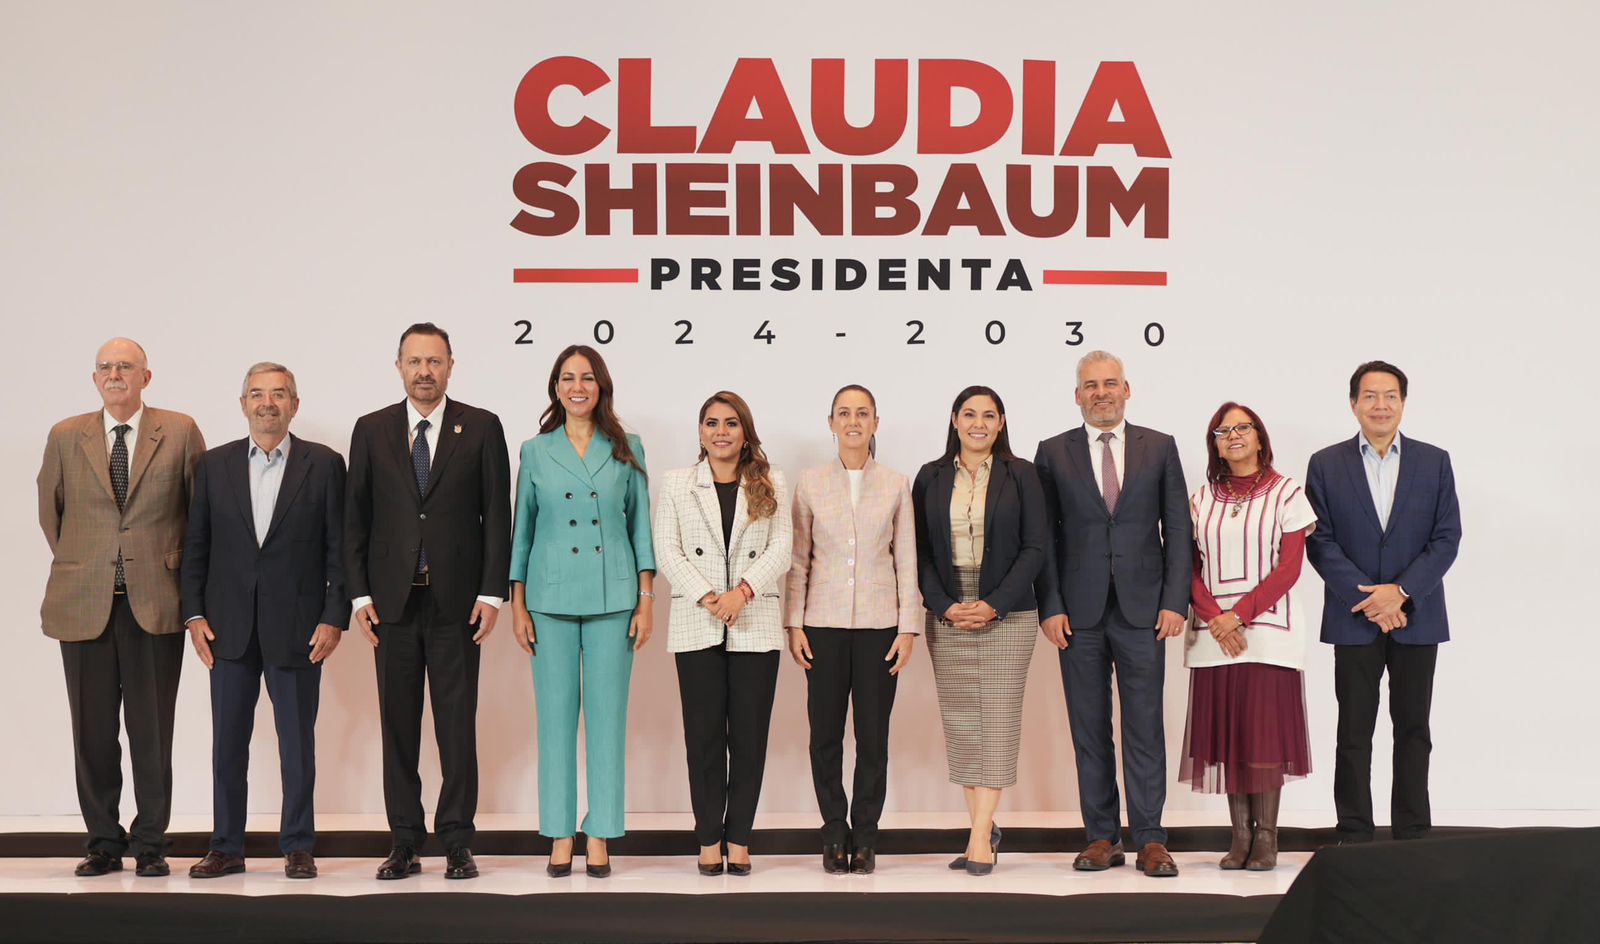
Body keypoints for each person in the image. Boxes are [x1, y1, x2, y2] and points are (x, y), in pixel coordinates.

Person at [345, 323, 511, 881]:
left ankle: (458, 841)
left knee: (456, 726)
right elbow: (355, 518)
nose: (424, 371)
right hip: (390, 604)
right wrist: (359, 595)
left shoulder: (481, 427)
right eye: (414, 361)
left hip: (457, 604)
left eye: (434, 361)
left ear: (450, 366)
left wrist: (491, 592)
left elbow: (497, 516)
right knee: (398, 727)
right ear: (398, 366)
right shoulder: (371, 429)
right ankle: (404, 842)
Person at [37, 338, 206, 878]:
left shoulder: (179, 431)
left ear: (145, 377)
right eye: (106, 367)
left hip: (155, 601)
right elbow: (51, 513)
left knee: (152, 731)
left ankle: (151, 843)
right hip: (83, 602)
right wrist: (88, 563)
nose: (115, 374)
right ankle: (103, 843)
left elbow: (199, 515)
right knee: (92, 733)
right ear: (95, 379)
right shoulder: (66, 435)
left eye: (126, 366)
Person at [181, 363, 348, 880]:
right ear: (243, 404)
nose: (267, 403)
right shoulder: (213, 465)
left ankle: (298, 846)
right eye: (257, 394)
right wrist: (193, 614)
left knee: (297, 746)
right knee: (228, 746)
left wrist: (334, 616)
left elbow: (339, 549)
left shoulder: (325, 465)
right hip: (226, 629)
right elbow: (196, 546)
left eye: (278, 394)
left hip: (299, 628)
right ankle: (226, 847)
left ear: (294, 405)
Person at [1033, 350, 1190, 878]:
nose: (1101, 392)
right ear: (1077, 395)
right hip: (1077, 614)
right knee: (1089, 728)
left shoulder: (1160, 447)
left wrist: (1174, 600)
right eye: (1091, 385)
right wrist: (1050, 606)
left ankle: (1151, 839)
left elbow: (1178, 530)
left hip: (1145, 611)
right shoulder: (1052, 452)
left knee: (1145, 726)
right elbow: (1045, 539)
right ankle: (1101, 836)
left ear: (1127, 389)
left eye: (1110, 383)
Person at [509, 344, 655, 879]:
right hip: (548, 600)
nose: (577, 387)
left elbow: (640, 526)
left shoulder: (627, 446)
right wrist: (518, 603)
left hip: (614, 598)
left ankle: (599, 832)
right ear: (555, 387)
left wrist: (646, 599)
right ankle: (558, 832)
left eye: (587, 378)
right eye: (568, 378)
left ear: (601, 386)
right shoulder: (534, 450)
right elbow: (522, 531)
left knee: (608, 720)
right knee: (554, 721)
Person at [1305, 361, 1460, 843]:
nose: (1380, 405)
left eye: (1390, 396)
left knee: (1414, 729)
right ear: (1353, 403)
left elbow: (1447, 537)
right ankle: (1354, 831)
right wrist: (1372, 600)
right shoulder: (1325, 464)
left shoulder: (1434, 461)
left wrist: (1401, 593)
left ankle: (1412, 832)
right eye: (1370, 396)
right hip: (1354, 618)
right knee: (1354, 732)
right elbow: (1320, 541)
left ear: (1403, 403)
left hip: (1418, 616)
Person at [653, 391, 791, 876]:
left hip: (755, 623)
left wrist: (743, 592)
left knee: (749, 741)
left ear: (745, 431)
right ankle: (709, 838)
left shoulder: (771, 480)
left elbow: (782, 547)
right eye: (711, 423)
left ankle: (740, 838)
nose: (721, 432)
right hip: (698, 622)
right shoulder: (677, 483)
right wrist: (711, 597)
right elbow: (667, 550)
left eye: (731, 423)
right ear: (700, 431)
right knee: (705, 740)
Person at [911, 386, 1047, 876]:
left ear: (1002, 423)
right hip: (948, 609)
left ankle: (978, 839)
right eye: (969, 414)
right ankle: (982, 831)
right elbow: (919, 551)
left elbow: (1036, 547)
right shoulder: (930, 476)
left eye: (989, 416)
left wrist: (993, 605)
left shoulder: (1022, 474)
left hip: (1007, 611)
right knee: (965, 724)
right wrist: (945, 606)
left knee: (998, 720)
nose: (979, 424)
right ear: (954, 419)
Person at [785, 384, 920, 875]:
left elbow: (906, 560)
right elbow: (799, 559)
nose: (853, 421)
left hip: (880, 627)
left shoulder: (896, 484)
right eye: (844, 413)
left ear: (875, 423)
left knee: (872, 738)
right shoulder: (810, 483)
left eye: (862, 413)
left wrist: (908, 628)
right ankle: (832, 833)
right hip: (821, 625)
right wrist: (793, 622)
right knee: (824, 736)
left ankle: (865, 837)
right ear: (831, 423)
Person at [1179, 403, 1316, 871]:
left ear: (1260, 437)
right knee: (1230, 738)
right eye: (1223, 431)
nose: (1233, 435)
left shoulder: (1287, 493)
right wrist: (1215, 617)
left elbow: (1289, 568)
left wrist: (1237, 616)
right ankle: (1240, 837)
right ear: (1215, 444)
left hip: (1267, 634)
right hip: (1214, 637)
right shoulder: (1200, 500)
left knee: (1263, 738)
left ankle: (1267, 838)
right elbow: (1187, 568)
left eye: (1243, 427)